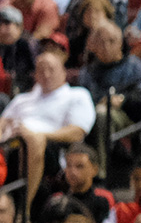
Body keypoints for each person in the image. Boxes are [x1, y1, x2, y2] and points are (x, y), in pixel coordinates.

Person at [0, 51, 96, 212]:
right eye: (41, 70)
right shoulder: (22, 99)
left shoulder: (76, 95)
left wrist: (35, 134)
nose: (46, 74)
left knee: (33, 139)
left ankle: (24, 209)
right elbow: (3, 121)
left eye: (51, 69)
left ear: (63, 72)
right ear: (35, 74)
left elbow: (77, 132)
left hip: (51, 150)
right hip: (10, 145)